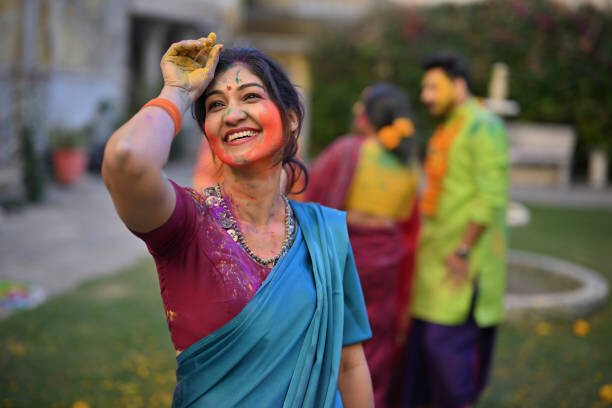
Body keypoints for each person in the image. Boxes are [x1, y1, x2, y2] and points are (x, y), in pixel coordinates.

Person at [102, 32, 374, 407]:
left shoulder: (324, 235)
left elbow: (350, 366)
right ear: (209, 135)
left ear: (292, 120)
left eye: (250, 96)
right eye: (215, 105)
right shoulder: (187, 224)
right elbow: (126, 159)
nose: (232, 114)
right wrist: (178, 92)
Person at [400, 52, 509, 408]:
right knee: (421, 370)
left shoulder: (484, 125)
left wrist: (463, 250)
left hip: (461, 269)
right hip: (432, 269)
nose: (426, 96)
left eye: (434, 86)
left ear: (458, 84)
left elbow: (490, 198)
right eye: (424, 88)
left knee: (447, 365)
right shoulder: (449, 127)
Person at [305, 83, 420, 408]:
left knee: (337, 333)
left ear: (370, 116)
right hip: (388, 259)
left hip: (348, 253)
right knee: (375, 337)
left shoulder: (349, 150)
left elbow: (312, 195)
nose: (356, 110)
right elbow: (404, 216)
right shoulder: (409, 163)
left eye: (362, 105)